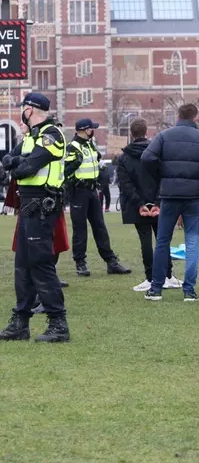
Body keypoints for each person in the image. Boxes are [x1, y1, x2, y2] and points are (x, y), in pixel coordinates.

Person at [0, 93, 69, 342]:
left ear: (29, 110)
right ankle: (21, 321)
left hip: (43, 205)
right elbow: (8, 159)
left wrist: (17, 164)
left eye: (23, 109)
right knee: (22, 265)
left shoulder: (52, 135)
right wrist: (18, 162)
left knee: (41, 264)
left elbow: (25, 168)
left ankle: (58, 323)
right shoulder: (31, 137)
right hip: (29, 205)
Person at [141, 103, 199, 302]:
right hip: (194, 196)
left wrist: (162, 174)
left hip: (169, 196)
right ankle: (189, 290)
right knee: (192, 242)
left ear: (178, 117)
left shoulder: (164, 136)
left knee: (162, 241)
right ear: (195, 118)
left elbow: (147, 158)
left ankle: (156, 288)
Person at [116, 118, 182, 292]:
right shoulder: (157, 154)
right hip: (159, 203)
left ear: (132, 134)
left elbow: (125, 184)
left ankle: (150, 277)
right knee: (163, 240)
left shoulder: (124, 158)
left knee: (145, 241)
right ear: (147, 132)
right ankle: (168, 275)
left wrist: (140, 204)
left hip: (138, 205)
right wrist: (158, 202)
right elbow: (164, 178)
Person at [65, 118, 131, 277]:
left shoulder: (89, 144)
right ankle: (80, 263)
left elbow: (96, 162)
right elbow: (66, 171)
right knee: (80, 229)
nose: (93, 130)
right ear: (84, 129)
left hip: (92, 191)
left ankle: (111, 262)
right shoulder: (72, 147)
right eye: (91, 128)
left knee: (100, 227)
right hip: (79, 191)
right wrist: (76, 163)